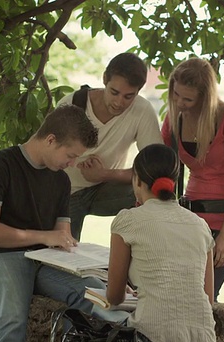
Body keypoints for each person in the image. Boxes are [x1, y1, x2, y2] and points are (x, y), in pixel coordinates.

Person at [0, 105, 108, 342]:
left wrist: (93, 266)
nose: (74, 163)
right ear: (51, 140)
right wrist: (44, 237)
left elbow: (61, 234)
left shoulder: (61, 180)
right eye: (71, 155)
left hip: (45, 262)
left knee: (101, 298)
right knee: (12, 317)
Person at [107, 143, 217, 342]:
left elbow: (114, 296)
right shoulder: (200, 225)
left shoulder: (128, 220)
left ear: (137, 181)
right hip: (201, 339)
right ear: (175, 182)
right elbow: (208, 298)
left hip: (155, 334)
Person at [161, 57, 224, 302]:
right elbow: (161, 168)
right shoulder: (174, 119)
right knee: (180, 294)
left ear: (205, 97)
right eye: (176, 94)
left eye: (188, 99)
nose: (179, 103)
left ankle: (208, 341)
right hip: (189, 217)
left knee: (206, 297)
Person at [56, 52, 163, 241]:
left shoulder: (142, 110)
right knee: (62, 255)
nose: (119, 102)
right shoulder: (71, 104)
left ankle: (138, 258)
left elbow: (154, 170)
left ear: (138, 91)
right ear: (105, 79)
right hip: (66, 192)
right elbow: (48, 157)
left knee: (154, 194)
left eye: (129, 96)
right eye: (114, 92)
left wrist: (104, 174)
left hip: (106, 189)